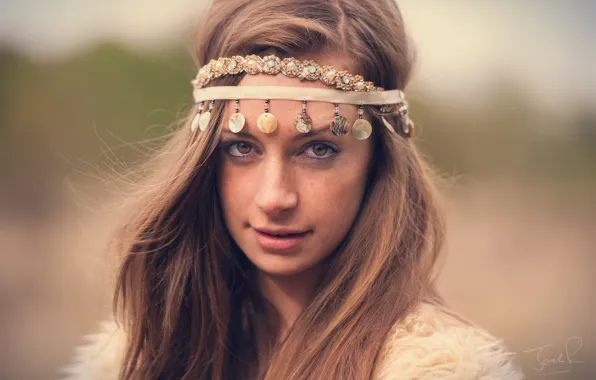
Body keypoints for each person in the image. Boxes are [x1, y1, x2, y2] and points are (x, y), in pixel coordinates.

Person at [61, 0, 524, 379]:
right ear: (202, 158)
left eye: (318, 149)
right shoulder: (133, 358)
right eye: (242, 147)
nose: (274, 197)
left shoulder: (440, 371)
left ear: (379, 161)